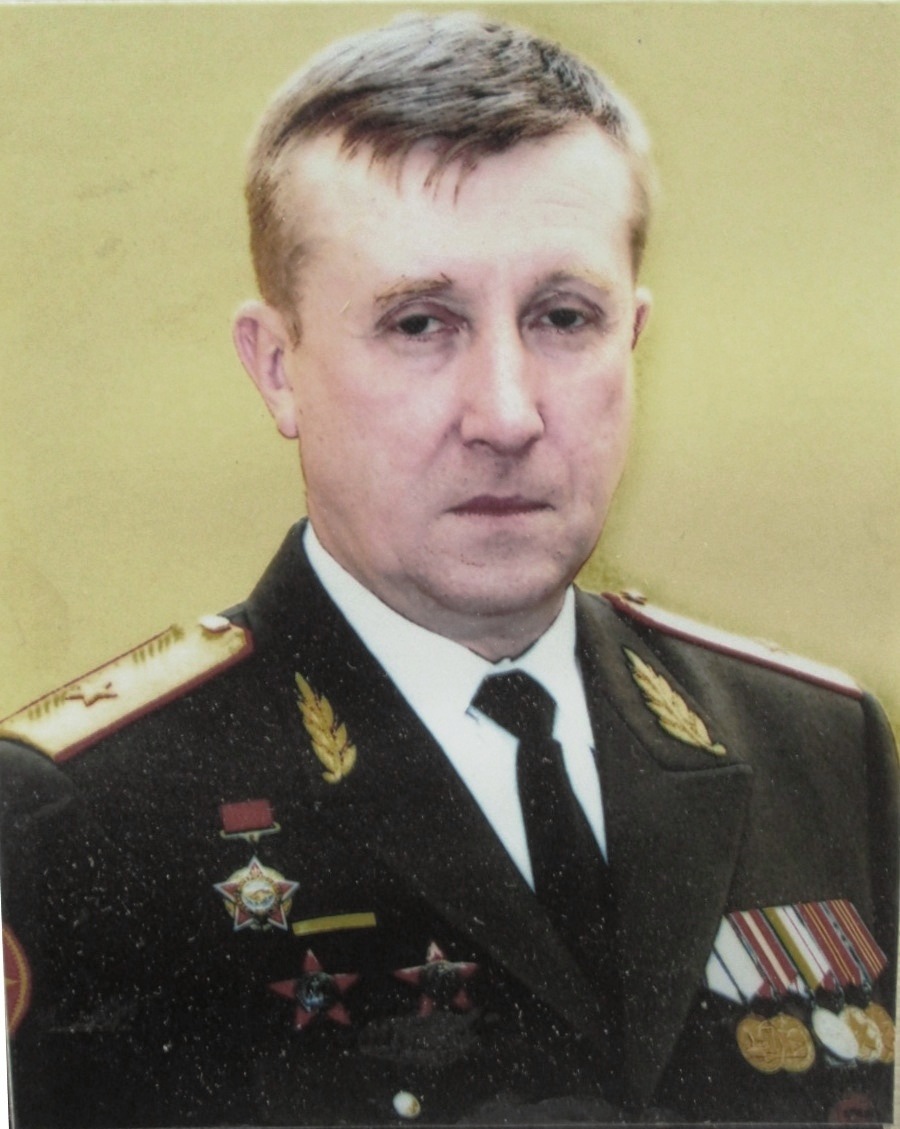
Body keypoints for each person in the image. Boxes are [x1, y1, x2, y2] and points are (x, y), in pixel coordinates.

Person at [1, 12, 896, 1127]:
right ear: (277, 368)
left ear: (633, 341)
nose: (507, 414)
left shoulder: (817, 747)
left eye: (564, 317)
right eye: (421, 324)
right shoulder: (73, 816)